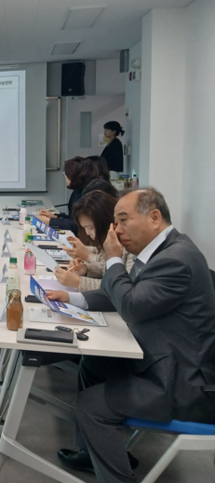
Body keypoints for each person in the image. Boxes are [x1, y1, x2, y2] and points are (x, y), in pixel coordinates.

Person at [47, 188, 215, 483]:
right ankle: (92, 451)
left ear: (154, 217)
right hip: (165, 359)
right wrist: (72, 298)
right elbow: (123, 293)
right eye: (115, 222)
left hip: (183, 385)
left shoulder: (176, 259)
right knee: (94, 364)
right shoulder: (161, 250)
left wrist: (114, 260)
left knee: (92, 406)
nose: (116, 230)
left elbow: (131, 305)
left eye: (123, 220)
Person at [53, 191, 135, 292]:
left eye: (91, 228)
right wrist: (86, 269)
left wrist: (78, 282)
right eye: (85, 228)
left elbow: (121, 289)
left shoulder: (131, 248)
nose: (88, 233)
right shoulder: (110, 241)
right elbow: (106, 268)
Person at [38, 157, 99, 234]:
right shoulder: (78, 190)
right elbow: (73, 218)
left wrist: (50, 221)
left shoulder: (90, 194)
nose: (65, 176)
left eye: (65, 174)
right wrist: (56, 217)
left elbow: (77, 225)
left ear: (73, 175)